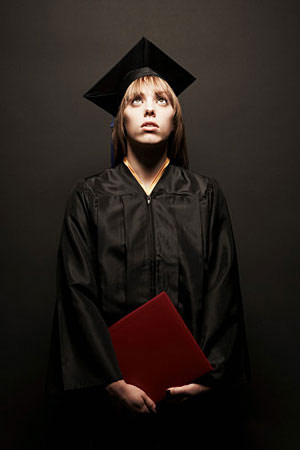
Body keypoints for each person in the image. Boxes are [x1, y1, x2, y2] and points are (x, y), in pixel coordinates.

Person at [46, 37, 250, 450]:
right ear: (120, 119)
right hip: (109, 398)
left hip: (188, 397)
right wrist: (111, 382)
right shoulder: (90, 197)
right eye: (136, 102)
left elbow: (222, 290)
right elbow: (76, 294)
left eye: (162, 100)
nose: (151, 109)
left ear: (176, 119)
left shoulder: (204, 195)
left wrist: (206, 375)